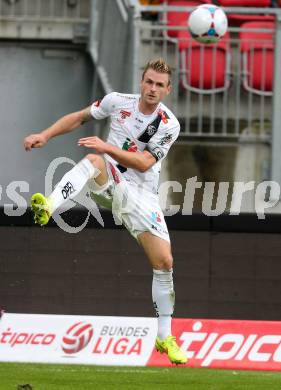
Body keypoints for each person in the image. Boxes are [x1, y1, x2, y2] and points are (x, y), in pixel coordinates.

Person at [23, 58, 187, 365]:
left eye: (159, 85)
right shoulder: (116, 102)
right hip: (109, 180)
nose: (152, 89)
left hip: (141, 196)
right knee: (95, 160)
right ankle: (49, 205)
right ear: (141, 82)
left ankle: (164, 337)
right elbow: (79, 117)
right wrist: (45, 135)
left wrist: (107, 146)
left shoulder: (169, 124)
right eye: (148, 82)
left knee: (164, 262)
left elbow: (144, 163)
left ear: (167, 90)